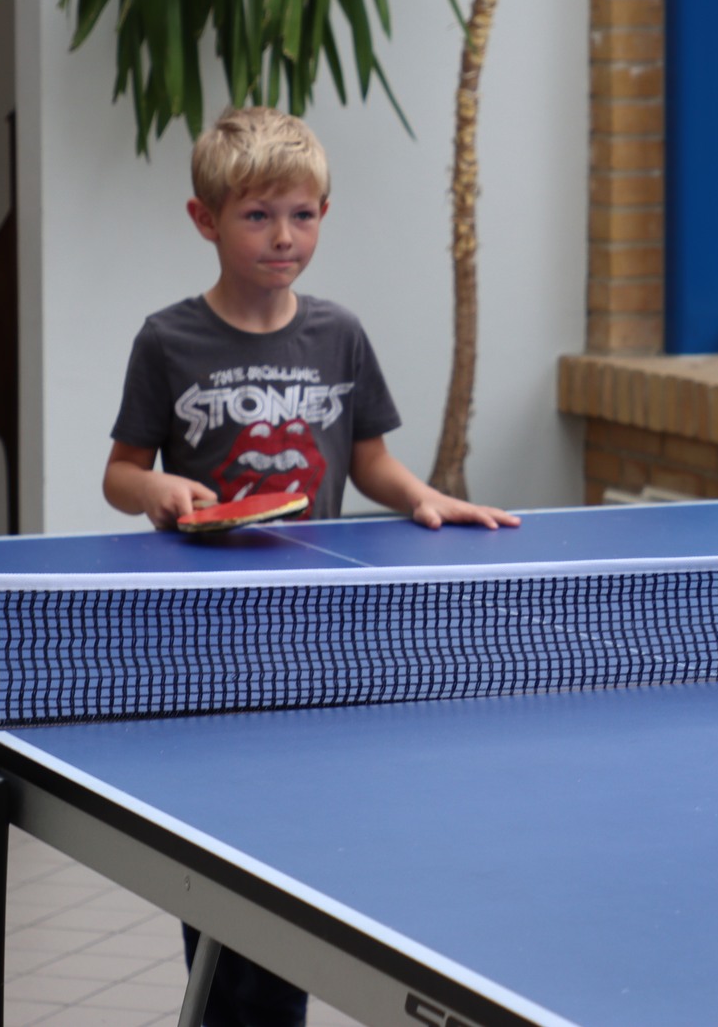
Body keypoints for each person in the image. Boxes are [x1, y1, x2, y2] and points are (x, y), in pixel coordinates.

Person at [105, 104, 517, 1026]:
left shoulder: (339, 334)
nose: (283, 235)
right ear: (205, 220)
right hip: (206, 645)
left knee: (295, 853)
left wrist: (425, 497)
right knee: (225, 859)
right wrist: (158, 488)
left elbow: (368, 459)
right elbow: (120, 473)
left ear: (324, 214)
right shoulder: (168, 340)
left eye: (302, 214)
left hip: (313, 634)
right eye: (257, 215)